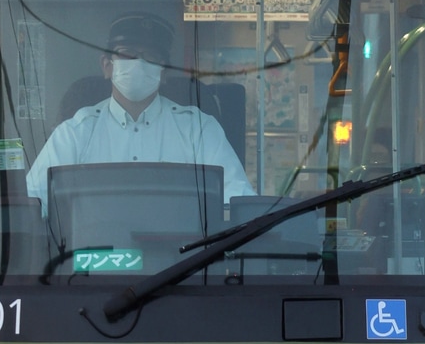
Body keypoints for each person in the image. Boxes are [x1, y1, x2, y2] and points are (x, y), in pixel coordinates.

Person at [26, 13, 254, 211]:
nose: (138, 63)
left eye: (151, 57)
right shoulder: (75, 134)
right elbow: (32, 205)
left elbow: (237, 202)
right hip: (93, 257)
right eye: (127, 54)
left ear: (164, 73)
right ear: (107, 65)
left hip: (185, 258)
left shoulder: (199, 130)